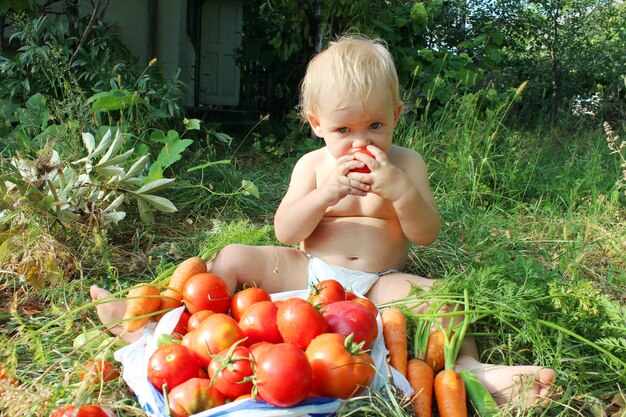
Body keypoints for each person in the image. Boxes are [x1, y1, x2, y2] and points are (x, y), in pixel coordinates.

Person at [91, 34, 555, 408]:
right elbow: (286, 231)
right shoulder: (312, 166)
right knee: (231, 256)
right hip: (309, 270)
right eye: (343, 130)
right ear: (316, 123)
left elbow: (426, 234)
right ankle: (162, 333)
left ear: (395, 116)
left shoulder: (407, 164)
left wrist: (399, 190)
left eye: (375, 126)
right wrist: (327, 191)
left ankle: (474, 370)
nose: (360, 143)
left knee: (446, 301)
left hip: (377, 281)